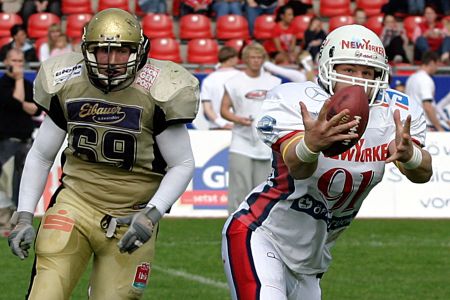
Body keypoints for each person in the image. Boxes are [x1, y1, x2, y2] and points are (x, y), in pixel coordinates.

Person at [222, 25, 433, 299]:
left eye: (368, 72)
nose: (359, 81)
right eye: (349, 70)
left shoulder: (394, 111)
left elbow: (422, 173)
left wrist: (410, 155)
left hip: (312, 257)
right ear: (327, 67)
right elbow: (298, 167)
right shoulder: (297, 100)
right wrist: (312, 144)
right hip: (262, 232)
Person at [7, 8, 199, 299]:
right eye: (101, 51)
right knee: (45, 292)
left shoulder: (160, 90)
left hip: (132, 214)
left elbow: (182, 163)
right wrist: (23, 215)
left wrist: (152, 213)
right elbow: (41, 155)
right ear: (86, 51)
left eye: (121, 51)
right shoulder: (68, 82)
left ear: (139, 51)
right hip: (76, 203)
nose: (110, 62)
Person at [220, 42, 281, 214]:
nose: (256, 61)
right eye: (252, 57)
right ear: (245, 59)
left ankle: (259, 230)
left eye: (259, 57)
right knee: (239, 190)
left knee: (264, 191)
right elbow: (224, 109)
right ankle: (233, 226)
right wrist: (238, 119)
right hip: (241, 142)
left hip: (266, 143)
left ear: (264, 59)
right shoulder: (234, 82)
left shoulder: (274, 81)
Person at [0, 48, 40, 237]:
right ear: (6, 61)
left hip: (26, 140)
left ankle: (19, 219)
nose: (17, 64)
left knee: (22, 182)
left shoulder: (26, 83)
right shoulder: (3, 83)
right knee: (5, 182)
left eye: (20, 60)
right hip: (8, 140)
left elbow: (36, 109)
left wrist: (23, 104)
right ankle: (4, 219)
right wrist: (17, 82)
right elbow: (14, 102)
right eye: (14, 60)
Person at [405, 51, 449, 131]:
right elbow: (427, 106)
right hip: (424, 127)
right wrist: (439, 128)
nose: (437, 69)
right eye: (437, 65)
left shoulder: (411, 78)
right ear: (432, 63)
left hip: (412, 125)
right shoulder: (425, 79)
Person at [200, 46, 239, 130]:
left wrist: (221, 123)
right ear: (232, 59)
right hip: (239, 126)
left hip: (216, 127)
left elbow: (207, 108)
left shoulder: (208, 79)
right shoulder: (242, 77)